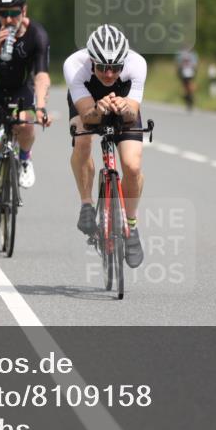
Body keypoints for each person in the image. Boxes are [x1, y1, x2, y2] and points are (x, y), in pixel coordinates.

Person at [64, 24, 147, 268]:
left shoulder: (137, 64)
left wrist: (124, 107)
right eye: (102, 67)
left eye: (115, 68)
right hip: (88, 104)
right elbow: (87, 116)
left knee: (132, 166)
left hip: (124, 103)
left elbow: (132, 113)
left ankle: (131, 225)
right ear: (91, 61)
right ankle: (86, 204)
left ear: (124, 62)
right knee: (82, 140)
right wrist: (98, 109)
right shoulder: (74, 65)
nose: (109, 74)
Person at [0, 0, 52, 238]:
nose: (9, 19)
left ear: (24, 9)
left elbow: (41, 76)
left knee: (26, 125)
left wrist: (40, 107)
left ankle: (25, 159)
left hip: (20, 88)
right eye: (3, 13)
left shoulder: (37, 34)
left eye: (14, 13)